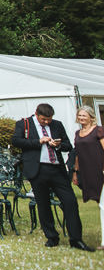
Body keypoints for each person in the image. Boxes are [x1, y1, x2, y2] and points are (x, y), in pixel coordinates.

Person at [13, 103, 94, 251]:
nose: (46, 122)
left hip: (57, 169)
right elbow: (16, 141)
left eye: (49, 120)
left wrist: (58, 145)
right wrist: (38, 141)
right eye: (44, 119)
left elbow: (68, 145)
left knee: (70, 202)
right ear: (37, 114)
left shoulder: (57, 125)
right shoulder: (24, 124)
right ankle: (52, 237)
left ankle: (76, 239)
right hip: (37, 169)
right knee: (43, 205)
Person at [72, 106, 104, 237]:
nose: (81, 118)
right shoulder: (77, 133)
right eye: (79, 115)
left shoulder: (99, 130)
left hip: (100, 170)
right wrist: (75, 171)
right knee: (99, 202)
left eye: (84, 115)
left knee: (103, 203)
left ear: (91, 117)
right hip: (86, 171)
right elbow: (78, 154)